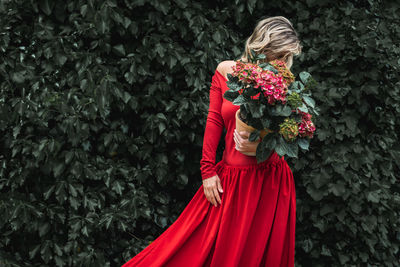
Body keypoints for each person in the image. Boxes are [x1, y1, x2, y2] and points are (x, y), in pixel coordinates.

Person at [122, 15, 302, 267]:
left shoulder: (284, 85)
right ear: (262, 47)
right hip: (231, 179)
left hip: (269, 180)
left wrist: (265, 148)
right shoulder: (225, 70)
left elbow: (287, 135)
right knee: (192, 248)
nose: (282, 63)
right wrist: (207, 171)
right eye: (279, 55)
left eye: (287, 57)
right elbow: (214, 121)